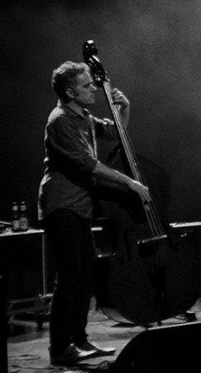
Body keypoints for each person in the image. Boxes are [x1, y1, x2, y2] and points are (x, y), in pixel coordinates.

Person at [38, 61, 150, 365]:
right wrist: (129, 182)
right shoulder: (60, 120)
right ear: (70, 90)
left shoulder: (83, 116)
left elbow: (115, 134)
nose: (94, 90)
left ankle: (79, 339)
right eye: (88, 86)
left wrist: (123, 109)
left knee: (84, 277)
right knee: (70, 277)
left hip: (80, 207)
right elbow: (88, 164)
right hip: (62, 205)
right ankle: (61, 348)